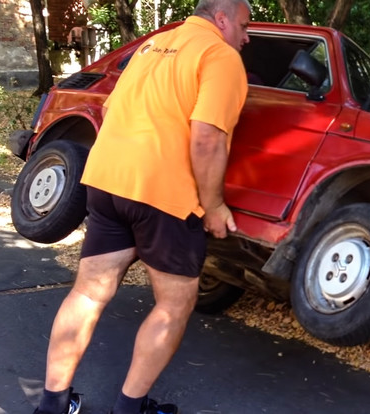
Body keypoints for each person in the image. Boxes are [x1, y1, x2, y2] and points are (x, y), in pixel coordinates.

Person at [33, 1, 251, 413]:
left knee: (88, 293)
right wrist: (215, 205)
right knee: (174, 303)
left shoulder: (153, 46)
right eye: (243, 25)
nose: (247, 36)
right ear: (221, 20)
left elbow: (112, 107)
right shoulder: (219, 56)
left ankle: (52, 405)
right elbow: (206, 138)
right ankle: (130, 409)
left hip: (106, 180)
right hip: (162, 193)